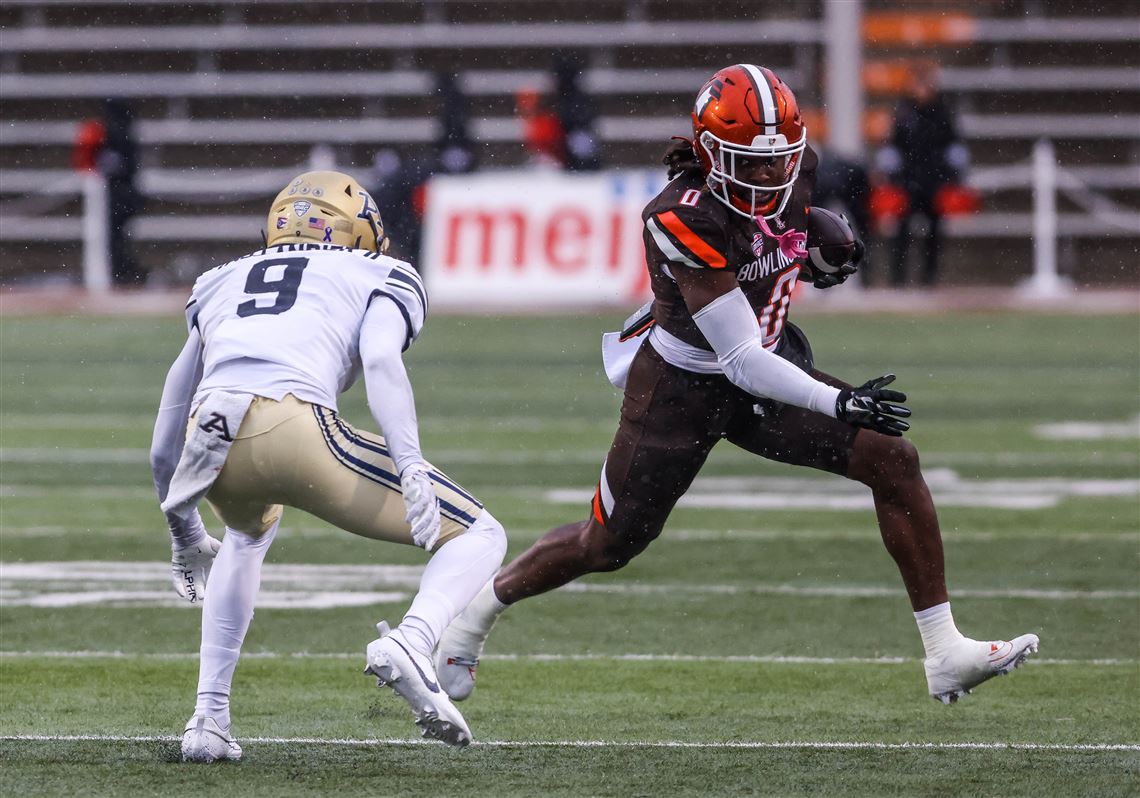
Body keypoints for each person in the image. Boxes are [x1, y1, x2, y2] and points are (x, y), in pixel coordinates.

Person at [435, 64, 1038, 709]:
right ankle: (469, 621)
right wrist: (839, 400)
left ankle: (945, 652)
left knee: (893, 459)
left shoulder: (792, 173)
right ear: (709, 153)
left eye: (779, 162)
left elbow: (785, 244)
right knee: (606, 544)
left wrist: (820, 248)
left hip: (768, 371)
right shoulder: (679, 215)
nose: (768, 176)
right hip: (684, 388)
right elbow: (740, 358)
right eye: (750, 164)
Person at [149, 170, 507, 762]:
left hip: (209, 440)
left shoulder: (221, 278)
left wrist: (183, 528)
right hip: (294, 424)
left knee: (244, 534)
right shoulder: (376, 270)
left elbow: (169, 419)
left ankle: (209, 719)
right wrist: (410, 463)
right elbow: (381, 359)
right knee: (480, 534)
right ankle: (414, 642)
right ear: (356, 231)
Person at [881, 62, 968, 287]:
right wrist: (892, 177)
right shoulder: (904, 113)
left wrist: (953, 178)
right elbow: (893, 147)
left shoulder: (942, 113)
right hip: (908, 182)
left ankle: (929, 278)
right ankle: (898, 280)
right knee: (902, 232)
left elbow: (953, 147)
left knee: (934, 233)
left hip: (934, 182)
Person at [100, 99, 147, 286]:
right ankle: (122, 270)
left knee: (116, 238)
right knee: (117, 238)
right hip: (122, 193)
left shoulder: (118, 133)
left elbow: (122, 166)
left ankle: (122, 271)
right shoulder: (124, 132)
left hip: (120, 194)